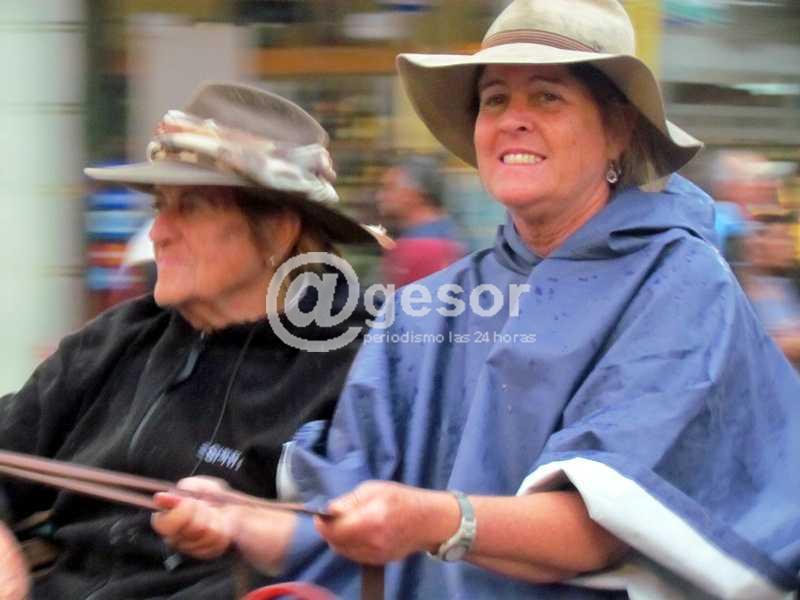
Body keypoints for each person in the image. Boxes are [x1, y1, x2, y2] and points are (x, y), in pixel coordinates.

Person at [153, 2, 800, 598]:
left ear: (618, 130)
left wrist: (435, 518)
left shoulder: (683, 286)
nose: (513, 118)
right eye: (495, 99)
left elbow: (604, 525)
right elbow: (343, 527)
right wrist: (240, 520)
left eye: (547, 96)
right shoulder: (423, 308)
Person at [0, 81, 385, 599]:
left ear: (278, 229)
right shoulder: (118, 340)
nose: (157, 233)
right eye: (161, 205)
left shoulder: (362, 361)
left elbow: (374, 547)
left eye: (193, 206)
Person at [377, 155, 464, 286]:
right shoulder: (447, 232)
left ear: (416, 193)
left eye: (390, 187)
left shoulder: (422, 247)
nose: (380, 196)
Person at [741, 210, 800, 368]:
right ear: (758, 243)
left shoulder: (787, 285)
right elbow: (759, 347)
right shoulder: (744, 291)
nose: (790, 244)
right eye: (782, 237)